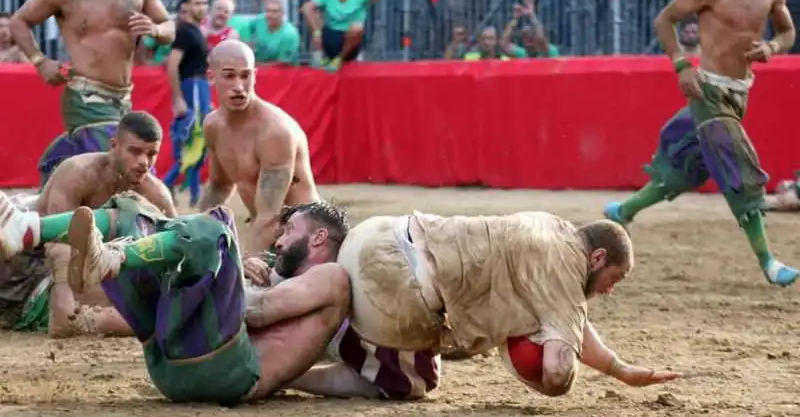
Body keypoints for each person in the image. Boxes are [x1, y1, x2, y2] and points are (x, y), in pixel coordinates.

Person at [281, 212, 680, 399]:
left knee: (323, 296)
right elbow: (557, 369)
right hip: (396, 290)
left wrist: (620, 371)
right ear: (597, 260)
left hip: (380, 231)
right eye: (615, 279)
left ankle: (274, 286)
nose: (611, 290)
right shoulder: (566, 273)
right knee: (414, 381)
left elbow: (569, 320)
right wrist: (520, 353)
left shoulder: (550, 226)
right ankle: (290, 371)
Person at [602, 0, 799, 288]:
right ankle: (768, 261)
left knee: (683, 170)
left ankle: (624, 211)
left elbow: (787, 32)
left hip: (739, 95)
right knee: (739, 170)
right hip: (705, 91)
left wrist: (772, 45)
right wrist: (681, 65)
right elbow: (665, 20)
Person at [64, 201, 350, 405]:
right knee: (134, 212)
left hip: (226, 372)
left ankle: (111, 260)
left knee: (214, 228)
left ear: (319, 237)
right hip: (175, 370)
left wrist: (233, 269)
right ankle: (28, 231)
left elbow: (257, 312)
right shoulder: (288, 279)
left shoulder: (332, 277)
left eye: (289, 230)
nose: (278, 242)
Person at [8, 0, 175, 187]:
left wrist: (155, 29)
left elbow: (170, 27)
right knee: (120, 168)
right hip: (84, 97)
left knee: (109, 175)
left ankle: (48, 203)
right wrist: (40, 62)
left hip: (123, 99)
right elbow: (19, 21)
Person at [0, 112, 177, 337]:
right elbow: (59, 243)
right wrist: (63, 295)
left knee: (151, 300)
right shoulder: (79, 172)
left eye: (152, 154)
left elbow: (177, 246)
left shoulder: (156, 194)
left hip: (74, 271)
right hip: (21, 260)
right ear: (114, 146)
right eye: (135, 151)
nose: (144, 162)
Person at [197, 40, 320, 259]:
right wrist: (193, 229)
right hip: (272, 238)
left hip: (309, 242)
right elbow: (219, 184)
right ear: (211, 77)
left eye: (245, 76)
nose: (239, 86)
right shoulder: (212, 125)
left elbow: (271, 216)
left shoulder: (275, 132)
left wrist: (246, 267)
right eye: (229, 76)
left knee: (249, 290)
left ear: (255, 75)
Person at [301, 0, 397, 71]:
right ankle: (319, 58)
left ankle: (339, 60)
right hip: (328, 38)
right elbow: (306, 7)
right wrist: (316, 32)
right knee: (312, 12)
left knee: (357, 28)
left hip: (349, 44)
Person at [163, 0, 210, 207]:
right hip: (192, 86)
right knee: (195, 143)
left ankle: (193, 195)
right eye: (197, 3)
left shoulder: (194, 31)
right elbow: (172, 65)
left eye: (205, 3)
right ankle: (166, 185)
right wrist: (178, 99)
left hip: (199, 87)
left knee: (198, 144)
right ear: (187, 7)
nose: (202, 7)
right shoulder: (185, 32)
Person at [249, 0, 300, 65]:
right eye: (267, 10)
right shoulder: (260, 20)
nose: (270, 14)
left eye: (275, 11)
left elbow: (282, 64)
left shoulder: (290, 34)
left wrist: (254, 66)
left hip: (282, 73)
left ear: (282, 13)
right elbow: (246, 30)